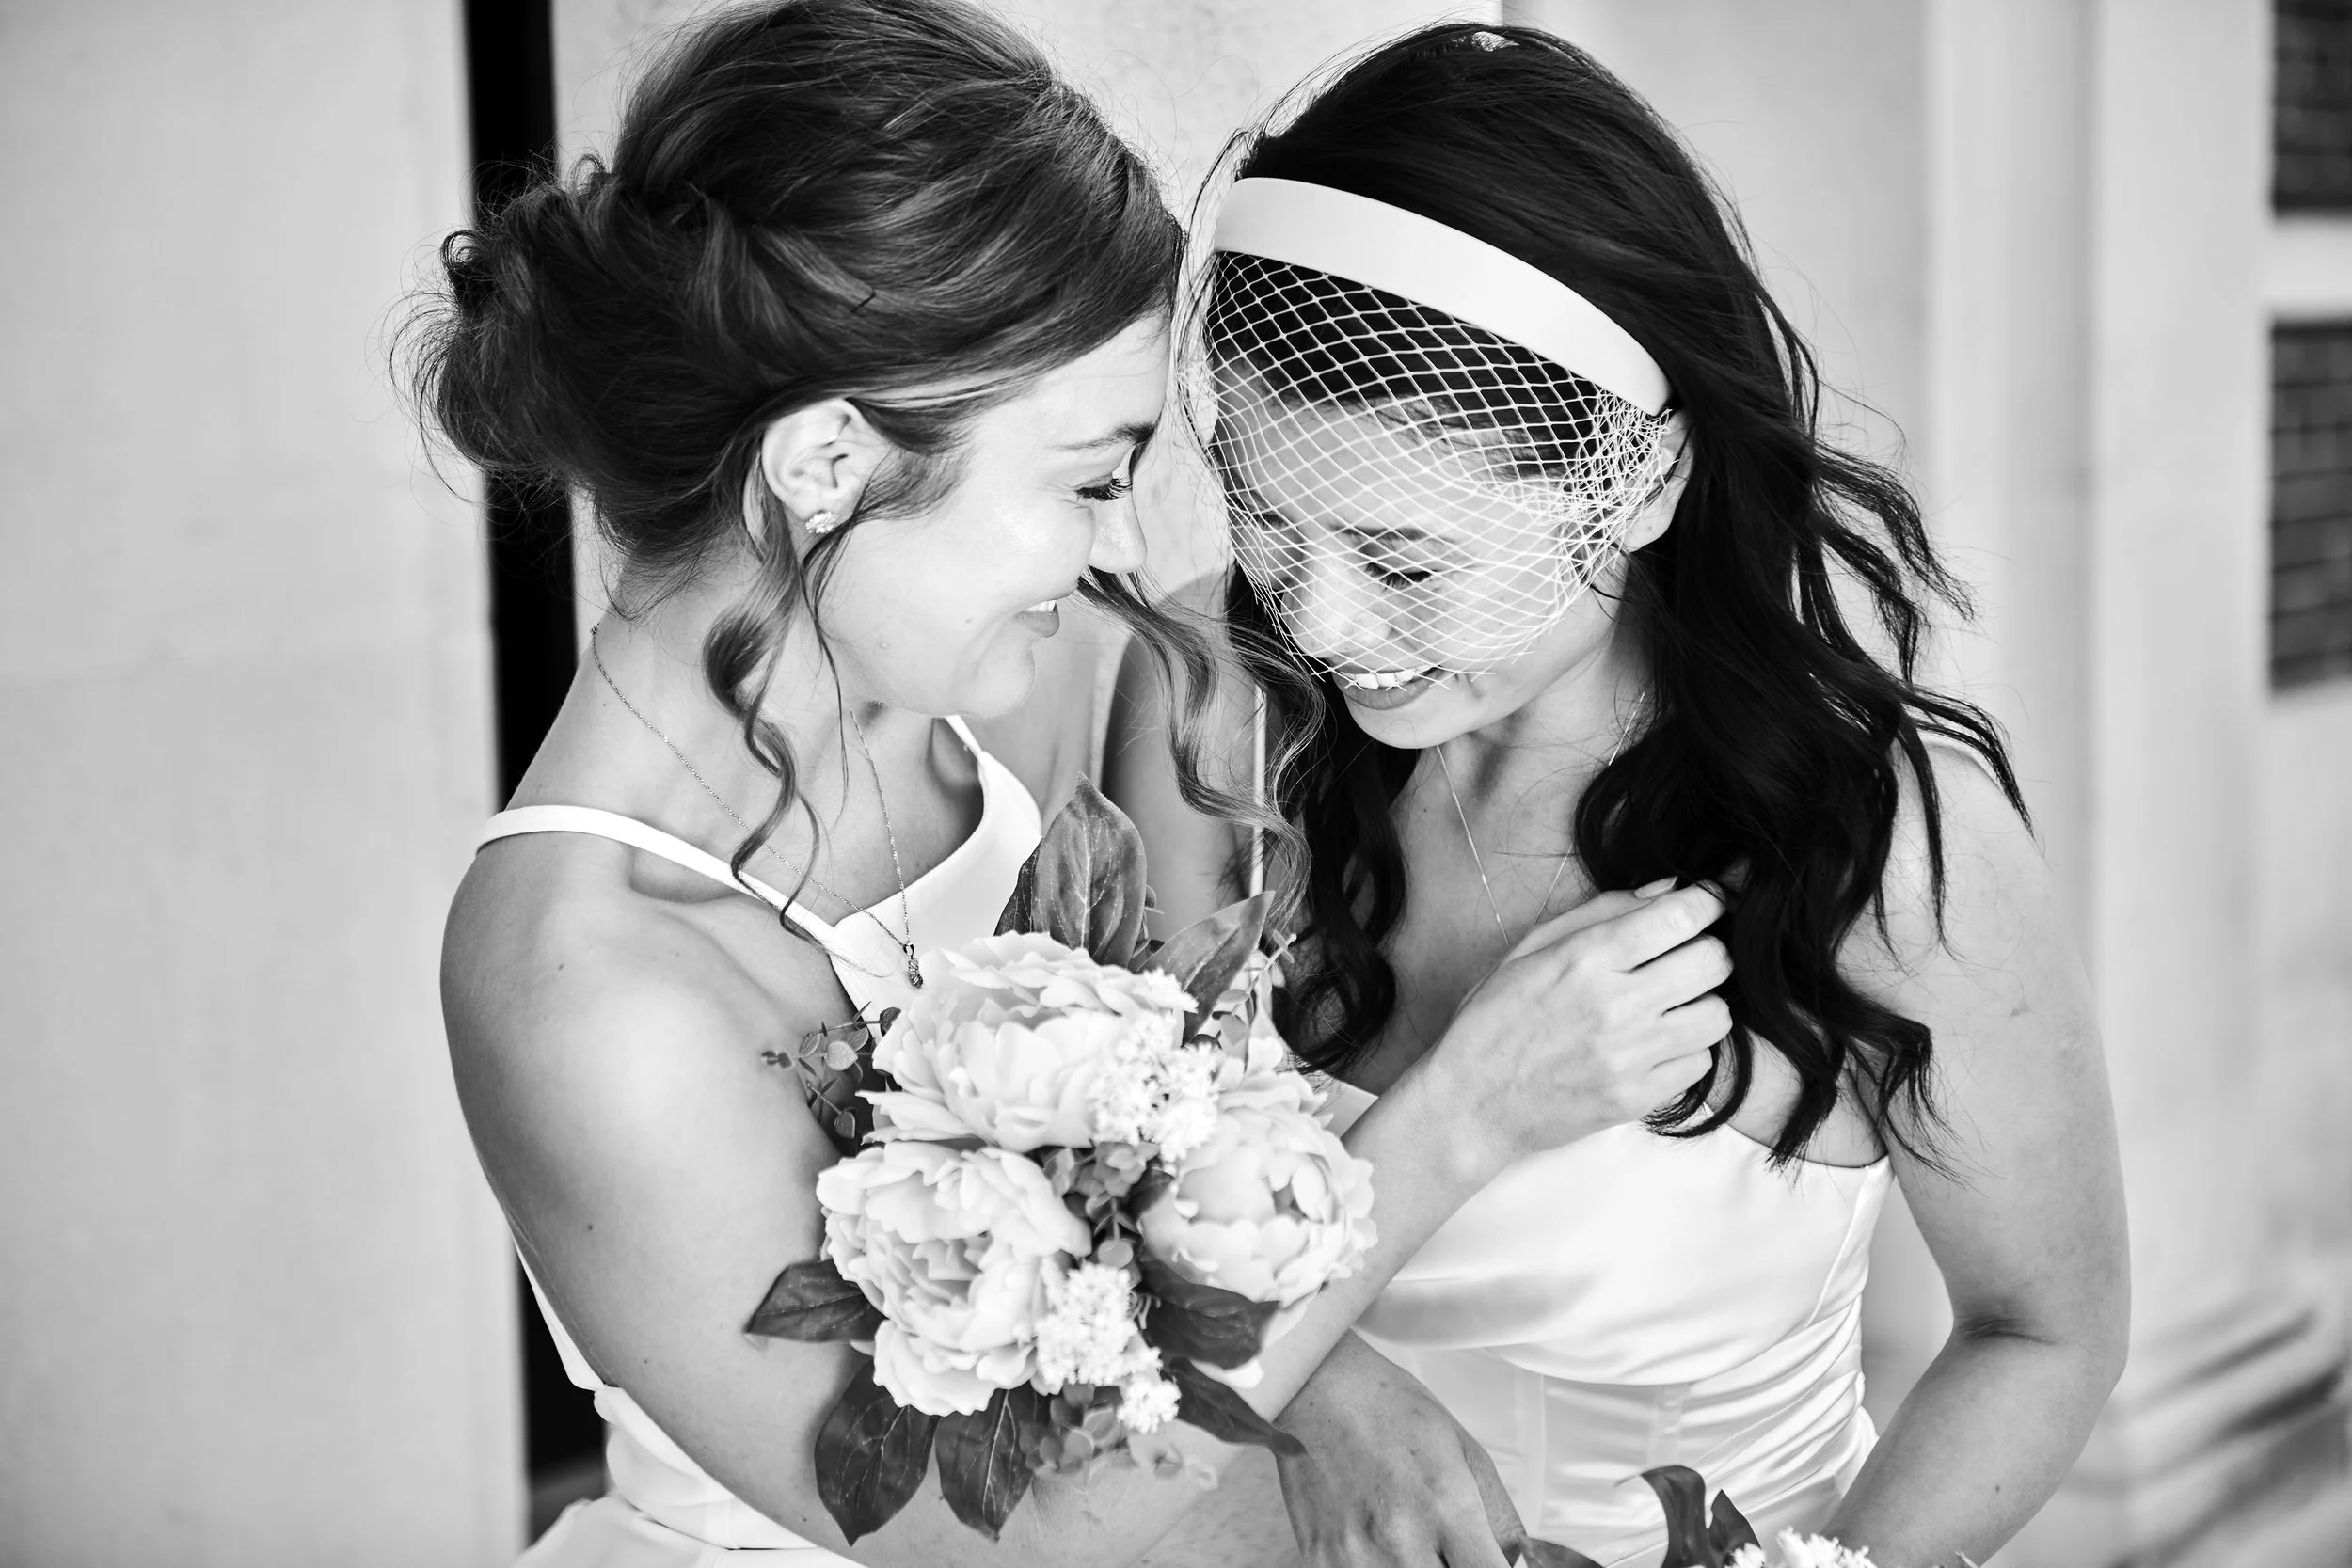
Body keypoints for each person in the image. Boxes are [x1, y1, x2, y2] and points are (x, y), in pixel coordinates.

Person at [416, 4, 1731, 1564]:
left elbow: (1122, 1249)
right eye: (1092, 478)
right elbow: (991, 1538)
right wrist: (1460, 1118)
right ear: (828, 464)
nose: (1119, 551)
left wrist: (1332, 1375)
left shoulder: (916, 706)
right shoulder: (590, 989)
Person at [1106, 23, 2129, 1568]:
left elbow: (2044, 1333)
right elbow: (1121, 1200)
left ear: (1640, 480)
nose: (1316, 615)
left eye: (1402, 559)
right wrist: (1324, 1386)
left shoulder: (1882, 839)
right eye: (1266, 512)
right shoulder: (1215, 701)